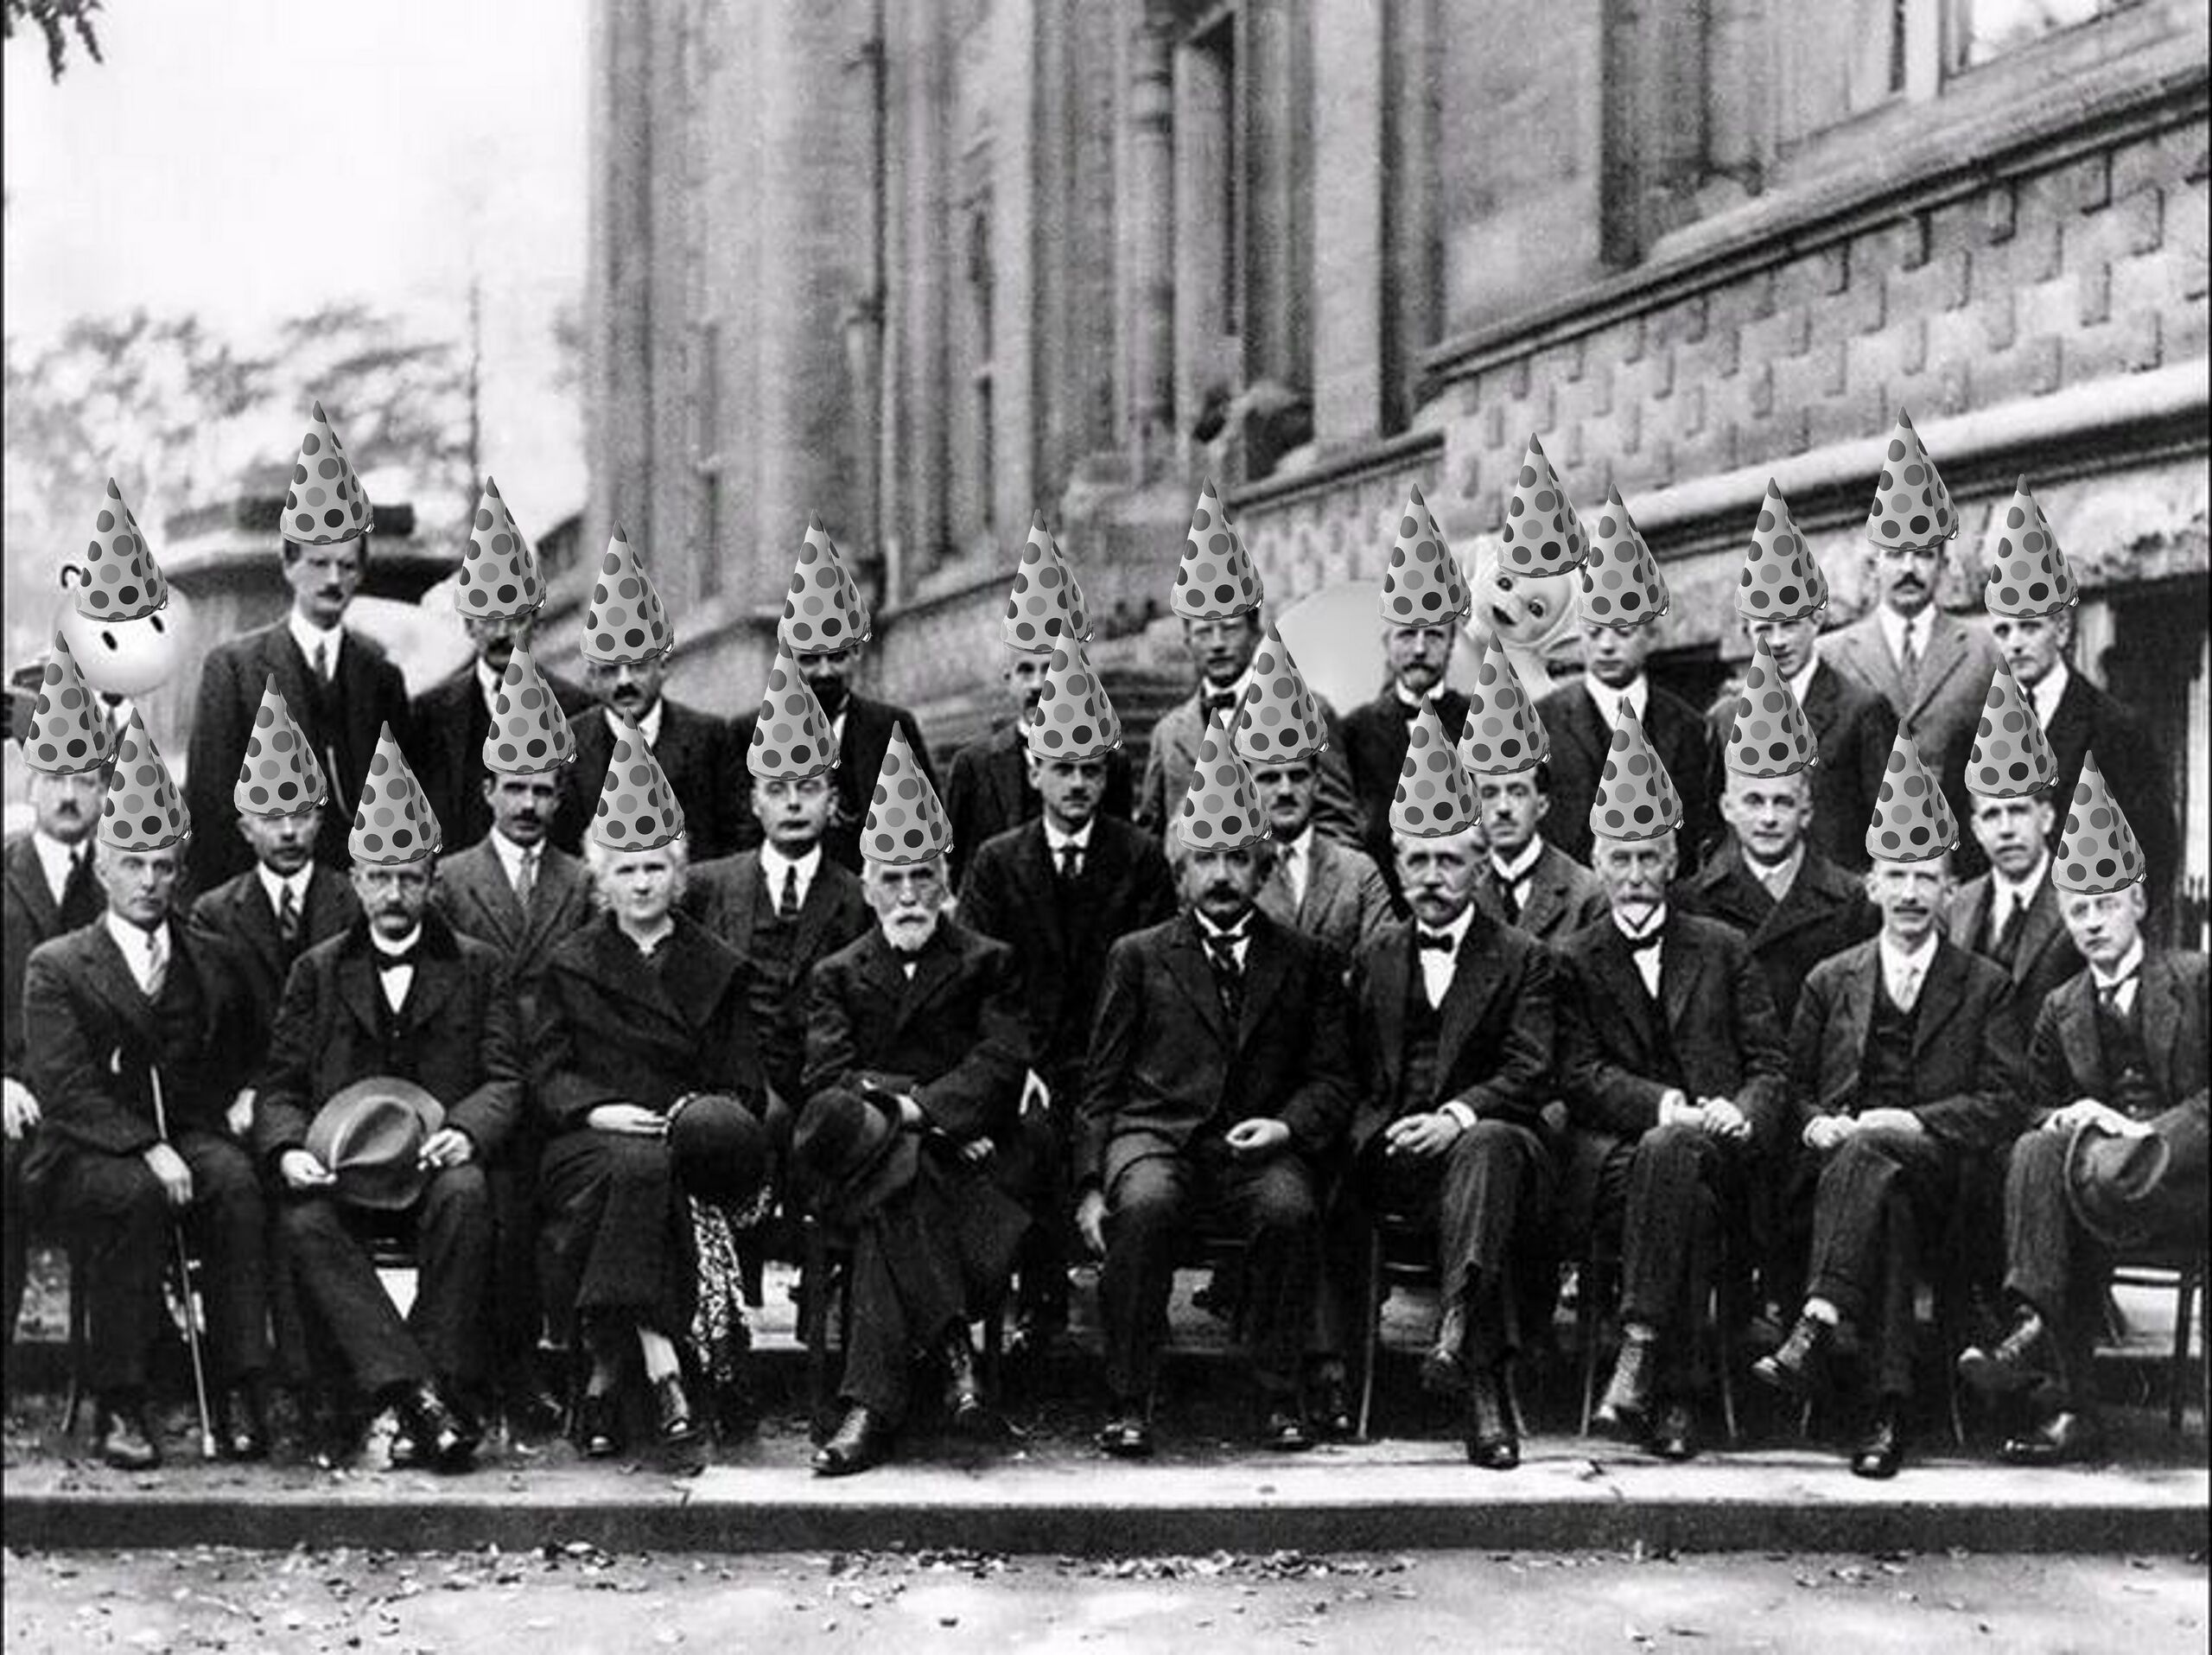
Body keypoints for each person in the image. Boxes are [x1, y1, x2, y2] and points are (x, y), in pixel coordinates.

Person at [1081, 716, 1353, 1456]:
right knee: (1143, 1207)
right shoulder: (1139, 957)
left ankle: (1279, 1391)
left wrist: (1287, 1127)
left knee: (1289, 1208)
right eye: (1206, 859)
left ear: (1264, 870)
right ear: (1180, 874)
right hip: (1157, 1138)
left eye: (1239, 857)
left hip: (1256, 1145)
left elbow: (1334, 1077)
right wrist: (1090, 1183)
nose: (1223, 875)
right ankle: (1129, 1396)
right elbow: (1101, 1082)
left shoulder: (1305, 960)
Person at [1756, 735, 2024, 1480]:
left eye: (1925, 878)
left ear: (1950, 891)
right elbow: (1788, 1084)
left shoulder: (1986, 985)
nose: (1910, 894)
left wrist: (1914, 1121)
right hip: (1838, 1180)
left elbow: (2005, 1101)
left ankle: (1818, 1318)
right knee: (1887, 1198)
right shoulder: (1829, 979)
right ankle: (1889, 1408)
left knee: (1883, 1159)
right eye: (1897, 876)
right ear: (1872, 885)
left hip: (1946, 1181)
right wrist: (1815, 1121)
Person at [253, 726, 518, 1471]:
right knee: (301, 1219)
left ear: (433, 881)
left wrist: (467, 1130)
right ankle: (421, 1397)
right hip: (347, 1171)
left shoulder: (480, 967)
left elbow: (506, 1078)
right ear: (356, 882)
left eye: (409, 877)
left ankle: (427, 1391)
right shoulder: (317, 971)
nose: (394, 895)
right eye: (379, 878)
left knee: (469, 1193)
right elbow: (280, 1085)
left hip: (434, 1166)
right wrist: (289, 1149)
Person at [22, 712, 270, 1467]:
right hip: (85, 1147)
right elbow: (65, 1089)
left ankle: (239, 1382)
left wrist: (247, 1094)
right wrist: (147, 1147)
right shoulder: (59, 965)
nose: (149, 881)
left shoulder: (213, 957)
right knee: (129, 1195)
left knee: (235, 1182)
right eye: (132, 863)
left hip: (187, 1131)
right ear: (103, 868)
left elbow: (249, 1049)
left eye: (163, 866)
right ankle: (119, 1399)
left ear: (180, 872)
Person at [1956, 756, 2204, 1463]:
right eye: (2078, 909)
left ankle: (2033, 1334)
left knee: (2086, 1166)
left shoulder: (2194, 980)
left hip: (2187, 1186)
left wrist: (2145, 1134)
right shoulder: (2061, 1007)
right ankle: (2061, 1383)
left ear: (2139, 902)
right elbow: (2029, 1107)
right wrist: (2073, 1117)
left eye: (2105, 904)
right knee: (2039, 1146)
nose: (2092, 922)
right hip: (2094, 1194)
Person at [1557, 706, 1789, 1462]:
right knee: (1674, 1169)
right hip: (1617, 1159)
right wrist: (1665, 1108)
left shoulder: (1722, 948)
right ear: (1598, 861)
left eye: (1649, 859)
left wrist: (1741, 1112)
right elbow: (1580, 1073)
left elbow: (1770, 1064)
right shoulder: (1575, 958)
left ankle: (1638, 1352)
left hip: (1720, 1153)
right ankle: (1678, 1394)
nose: (1633, 876)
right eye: (1620, 859)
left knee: (1683, 1165)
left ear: (1673, 862)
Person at [798, 729, 1033, 1474]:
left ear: (946, 883)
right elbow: (830, 1079)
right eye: (893, 879)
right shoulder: (838, 973)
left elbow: (1000, 1062)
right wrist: (928, 1117)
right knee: (902, 1172)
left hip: (962, 1170)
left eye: (922, 877)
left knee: (892, 1199)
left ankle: (868, 1409)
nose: (908, 895)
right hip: (909, 1153)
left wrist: (901, 1109)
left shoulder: (987, 962)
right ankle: (956, 1354)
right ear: (867, 888)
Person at [535, 724, 768, 1454]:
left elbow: (743, 1083)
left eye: (655, 868)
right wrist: (598, 1109)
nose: (641, 883)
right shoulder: (570, 962)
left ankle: (607, 1371)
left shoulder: (718, 965)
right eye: (627, 869)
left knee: (651, 1166)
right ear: (601, 880)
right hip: (586, 1142)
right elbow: (547, 1071)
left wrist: (690, 1116)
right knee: (636, 1165)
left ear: (679, 875)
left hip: (679, 1144)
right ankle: (662, 1361)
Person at [1342, 708, 1555, 1468]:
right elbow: (1351, 1066)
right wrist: (1385, 1125)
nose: (1433, 877)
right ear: (1399, 867)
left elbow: (1531, 1068)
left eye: (1449, 861)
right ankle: (1419, 1363)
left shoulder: (1523, 956)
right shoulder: (1375, 954)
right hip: (1395, 1151)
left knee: (1487, 1150)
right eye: (1419, 861)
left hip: (1493, 1147)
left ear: (1479, 865)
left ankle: (1466, 1347)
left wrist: (1457, 1116)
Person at [961, 642, 1175, 1355]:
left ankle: (1134, 1304)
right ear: (1035, 770)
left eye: (1091, 769)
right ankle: (1040, 1297)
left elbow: (1157, 977)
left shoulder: (1139, 858)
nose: (1078, 784)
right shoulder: (997, 861)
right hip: (1032, 1058)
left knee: (1120, 1135)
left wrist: (1122, 1067)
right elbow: (982, 978)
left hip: (1117, 1057)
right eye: (1062, 768)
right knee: (1032, 1131)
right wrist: (1014, 1063)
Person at [429, 648, 596, 1436]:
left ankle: (536, 1367)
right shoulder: (449, 880)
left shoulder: (582, 882)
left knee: (543, 1209)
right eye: (515, 787)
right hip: (480, 1081)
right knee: (487, 1205)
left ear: (561, 796)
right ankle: (470, 1372)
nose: (528, 804)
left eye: (543, 789)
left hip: (557, 1080)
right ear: (488, 790)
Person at [188, 404, 412, 890]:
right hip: (260, 897)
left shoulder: (380, 677)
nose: (333, 580)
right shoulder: (235, 669)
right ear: (289, 566)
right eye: (319, 564)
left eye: (347, 567)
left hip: (357, 897)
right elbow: (212, 807)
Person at [683, 648, 869, 1142]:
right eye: (777, 789)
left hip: (827, 1101)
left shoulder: (859, 898)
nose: (792, 804)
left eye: (808, 789)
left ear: (832, 802)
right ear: (754, 802)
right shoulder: (705, 888)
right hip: (732, 1097)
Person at [1978, 481, 2177, 919]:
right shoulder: (1975, 730)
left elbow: (2156, 852)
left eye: (2030, 628)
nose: (2016, 644)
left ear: (2063, 630)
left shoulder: (2116, 728)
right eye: (2004, 631)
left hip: (2084, 936)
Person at [1133, 480, 1359, 847]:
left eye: (1230, 629)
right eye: (1204, 632)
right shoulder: (1169, 734)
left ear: (1255, 633)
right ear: (1187, 639)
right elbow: (1151, 837)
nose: (1218, 645)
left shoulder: (1307, 712)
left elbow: (1339, 825)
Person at [1820, 411, 1999, 873]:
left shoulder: (1983, 652)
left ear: (1944, 566)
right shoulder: (1832, 655)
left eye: (1923, 556)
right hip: (1859, 862)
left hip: (1956, 863)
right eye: (1895, 555)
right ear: (1873, 565)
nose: (1908, 570)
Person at [1676, 638, 1877, 1031]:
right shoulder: (1692, 903)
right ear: (1727, 808)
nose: (1768, 818)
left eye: (1783, 803)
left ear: (1806, 811)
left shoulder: (1853, 905)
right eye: (1754, 801)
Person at [5, 639, 112, 1359]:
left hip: (103, 1107)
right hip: (15, 1100)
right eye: (55, 776)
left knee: (126, 1187)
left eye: (85, 778)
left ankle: (122, 1375)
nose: (70, 794)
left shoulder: (126, 882)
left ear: (106, 789)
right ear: (31, 781)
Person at [729, 518, 938, 872]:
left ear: (857, 655)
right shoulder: (747, 734)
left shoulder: (891, 728)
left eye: (837, 657)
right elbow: (737, 837)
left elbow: (924, 831)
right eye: (810, 660)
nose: (825, 672)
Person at [942, 515, 1133, 888]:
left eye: (1051, 668)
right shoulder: (974, 767)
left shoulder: (1110, 764)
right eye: (1025, 671)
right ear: (1008, 681)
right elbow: (957, 868)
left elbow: (1121, 860)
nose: (1038, 685)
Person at [1712, 482, 1895, 870]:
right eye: (1765, 629)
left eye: (1791, 625)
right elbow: (1712, 830)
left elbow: (1889, 823)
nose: (1778, 642)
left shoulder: (1860, 710)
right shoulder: (1726, 718)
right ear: (1746, 631)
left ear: (1817, 620)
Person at [1536, 488, 1720, 871]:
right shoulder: (1541, 722)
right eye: (1594, 633)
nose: (1606, 646)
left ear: (1651, 635)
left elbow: (1699, 837)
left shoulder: (1689, 728)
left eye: (1623, 632)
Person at [410, 480, 592, 852]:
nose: (501, 634)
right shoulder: (428, 714)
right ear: (467, 625)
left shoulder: (577, 710)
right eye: (488, 620)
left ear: (536, 625)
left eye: (515, 620)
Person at [552, 526, 742, 860]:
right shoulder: (568, 746)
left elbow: (736, 841)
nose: (624, 682)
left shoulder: (709, 739)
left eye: (638, 667)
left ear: (663, 668)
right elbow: (559, 852)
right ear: (592, 678)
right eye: (610, 671)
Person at [1338, 489, 1472, 888]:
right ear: (1387, 643)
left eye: (1434, 636)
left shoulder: (1480, 719)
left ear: (1452, 644)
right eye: (1407, 635)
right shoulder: (1356, 730)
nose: (1419, 649)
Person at [1241, 626, 1396, 966]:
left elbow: (1386, 967)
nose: (1285, 791)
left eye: (1297, 776)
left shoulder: (1358, 874)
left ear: (1318, 783)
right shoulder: (1234, 873)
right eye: (1269, 779)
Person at [1948, 663, 2082, 1030]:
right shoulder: (1958, 907)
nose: (2006, 830)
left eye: (2019, 811)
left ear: (2047, 818)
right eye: (1992, 815)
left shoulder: (2081, 900)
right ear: (1976, 829)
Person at [1459, 634, 1608, 947]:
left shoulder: (1587, 894)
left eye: (1516, 792)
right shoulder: (1460, 889)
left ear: (1542, 804)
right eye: (1489, 794)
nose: (1503, 808)